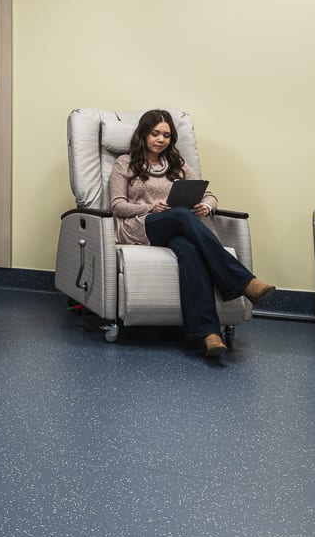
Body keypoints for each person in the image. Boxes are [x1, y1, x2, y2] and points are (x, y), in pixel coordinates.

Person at [108, 109, 274, 358]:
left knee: (190, 250)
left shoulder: (177, 164)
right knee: (182, 214)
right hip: (140, 226)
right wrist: (150, 207)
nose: (161, 140)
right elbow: (118, 205)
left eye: (166, 135)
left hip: (175, 227)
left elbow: (209, 193)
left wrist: (206, 206)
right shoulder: (125, 163)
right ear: (143, 134)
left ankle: (209, 334)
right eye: (155, 133)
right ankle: (243, 281)